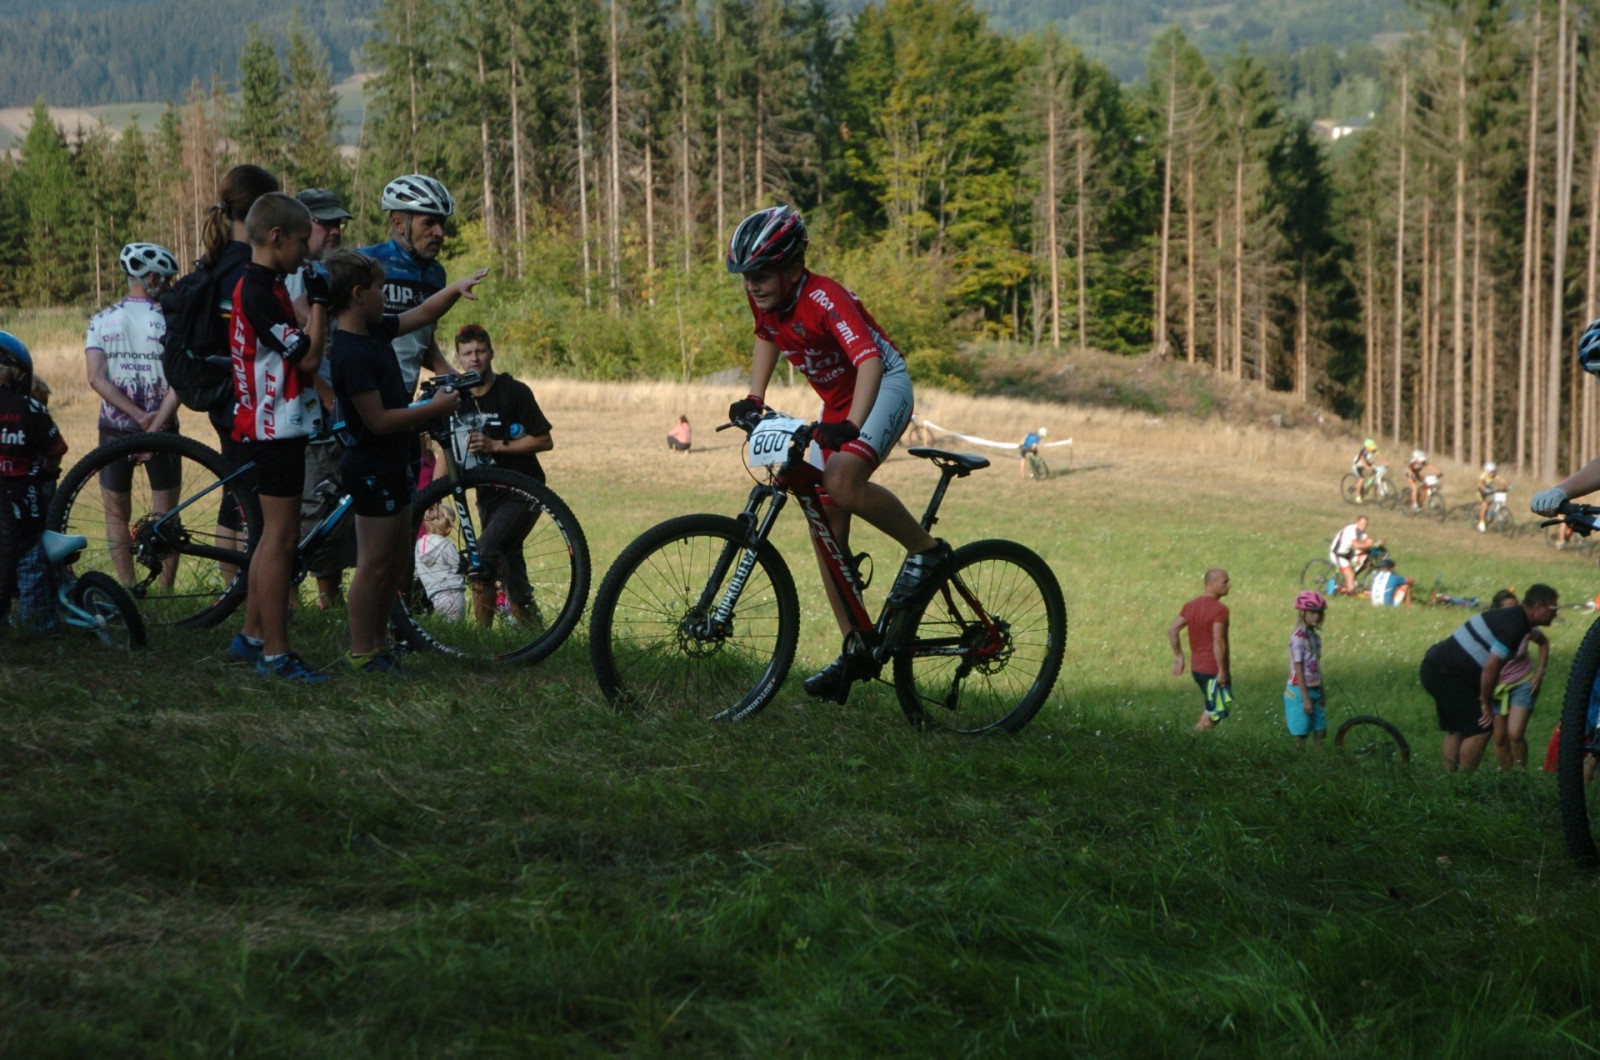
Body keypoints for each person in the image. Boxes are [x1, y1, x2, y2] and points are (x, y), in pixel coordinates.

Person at [723, 204, 942, 704]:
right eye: (746, 276)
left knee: (842, 480)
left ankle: (928, 552)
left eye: (761, 274)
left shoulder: (824, 297)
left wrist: (851, 426)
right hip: (840, 401)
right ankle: (856, 647)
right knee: (823, 522)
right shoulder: (767, 300)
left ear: (792, 266)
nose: (752, 285)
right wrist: (754, 398)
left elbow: (869, 362)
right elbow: (766, 337)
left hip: (881, 385)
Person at [324, 250, 486, 673]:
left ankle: (380, 643)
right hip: (371, 469)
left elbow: (423, 313)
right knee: (373, 565)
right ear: (358, 294)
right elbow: (377, 421)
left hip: (394, 463)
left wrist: (455, 289)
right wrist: (435, 408)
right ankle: (363, 650)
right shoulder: (349, 352)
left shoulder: (375, 331)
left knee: (395, 562)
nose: (386, 298)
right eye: (380, 290)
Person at [222, 193, 329, 682]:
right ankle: (277, 654)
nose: (306, 251)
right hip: (273, 426)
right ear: (276, 237)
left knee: (272, 537)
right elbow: (308, 356)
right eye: (302, 241)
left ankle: (251, 637)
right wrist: (321, 302)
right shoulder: (257, 291)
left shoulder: (268, 284)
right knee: (281, 540)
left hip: (280, 421)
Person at [199, 165, 281, 588]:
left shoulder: (215, 262)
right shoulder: (247, 269)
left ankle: (234, 588)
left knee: (234, 493)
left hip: (220, 390)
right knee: (248, 497)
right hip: (247, 394)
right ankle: (242, 588)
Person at [85, 242, 183, 590]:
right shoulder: (171, 321)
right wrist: (153, 424)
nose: (169, 287)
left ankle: (127, 589)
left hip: (114, 428)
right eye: (167, 280)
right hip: (164, 426)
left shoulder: (100, 320)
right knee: (167, 516)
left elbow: (96, 378)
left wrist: (137, 417)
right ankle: (166, 592)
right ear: (152, 278)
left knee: (115, 516)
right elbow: (180, 382)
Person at [452, 324, 553, 627]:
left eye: (480, 351)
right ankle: (535, 634)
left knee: (482, 557)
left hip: (523, 491)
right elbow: (448, 448)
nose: (474, 358)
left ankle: (480, 637)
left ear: (492, 353)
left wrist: (495, 445)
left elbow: (544, 440)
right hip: (488, 496)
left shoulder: (514, 391)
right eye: (467, 353)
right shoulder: (456, 398)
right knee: (510, 567)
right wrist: (434, 496)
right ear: (458, 358)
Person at [288, 188, 356, 611]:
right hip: (308, 409)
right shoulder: (295, 274)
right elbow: (299, 344)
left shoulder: (315, 269)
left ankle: (326, 600)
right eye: (325, 223)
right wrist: (329, 394)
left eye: (338, 224)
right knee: (315, 500)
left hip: (324, 405)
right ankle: (303, 601)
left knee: (328, 498)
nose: (335, 231)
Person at [1420, 583, 1559, 772]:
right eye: (1553, 608)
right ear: (1539, 607)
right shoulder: (1516, 625)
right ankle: (1463, 783)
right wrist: (1485, 702)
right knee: (1481, 728)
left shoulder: (1514, 618)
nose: (1556, 614)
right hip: (1448, 674)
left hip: (1436, 666)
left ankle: (1448, 779)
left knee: (1457, 728)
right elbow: (1491, 667)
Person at [359, 174, 460, 400]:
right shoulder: (365, 261)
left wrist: (441, 366)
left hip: (402, 395)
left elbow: (420, 335)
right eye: (429, 223)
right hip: (362, 396)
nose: (440, 233)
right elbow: (308, 305)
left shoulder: (436, 274)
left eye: (442, 223)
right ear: (399, 224)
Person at [0, 332, 68, 630]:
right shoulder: (32, 409)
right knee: (30, 565)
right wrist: (47, 476)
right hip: (24, 508)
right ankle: (36, 626)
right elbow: (55, 452)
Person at [1483, 589, 1549, 771]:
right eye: (1508, 609)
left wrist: (1540, 672)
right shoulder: (1488, 629)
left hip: (1522, 682)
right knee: (1500, 737)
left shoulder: (1525, 626)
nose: (1514, 612)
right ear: (1496, 611)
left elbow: (1544, 643)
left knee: (1515, 733)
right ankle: (1507, 775)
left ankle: (1521, 774)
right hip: (1496, 687)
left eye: (1516, 607)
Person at [1168, 568, 1233, 731]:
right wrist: (1222, 670)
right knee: (1219, 709)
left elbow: (1173, 630)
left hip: (1197, 668)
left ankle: (1196, 737)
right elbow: (1218, 640)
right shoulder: (1220, 610)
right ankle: (1194, 738)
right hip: (1213, 669)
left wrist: (1179, 656)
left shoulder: (1190, 606)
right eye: (1225, 582)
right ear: (1211, 583)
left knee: (1212, 706)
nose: (1229, 585)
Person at [1285, 591, 1327, 747]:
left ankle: (1317, 759)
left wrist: (1321, 690)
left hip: (1315, 687)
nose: (1317, 616)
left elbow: (1316, 665)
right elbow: (1298, 668)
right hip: (1299, 690)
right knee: (1301, 732)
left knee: (1321, 729)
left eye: (1319, 613)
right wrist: (1305, 698)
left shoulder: (1315, 638)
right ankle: (1298, 758)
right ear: (1303, 613)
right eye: (1312, 612)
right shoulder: (1298, 638)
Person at [415, 503, 465, 620]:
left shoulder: (418, 545)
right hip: (453, 592)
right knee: (456, 626)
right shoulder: (446, 544)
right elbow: (457, 566)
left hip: (434, 595)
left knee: (447, 625)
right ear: (448, 528)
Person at [1329, 515, 1378, 595]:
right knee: (1350, 574)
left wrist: (1376, 543)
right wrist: (1370, 544)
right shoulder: (1351, 530)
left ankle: (1349, 580)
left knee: (1367, 561)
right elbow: (1356, 545)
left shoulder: (1361, 531)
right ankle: (1350, 592)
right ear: (1357, 523)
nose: (1364, 526)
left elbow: (1369, 541)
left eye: (1366, 524)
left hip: (1347, 553)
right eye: (1362, 524)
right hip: (1337, 554)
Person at [1475, 462, 1509, 533]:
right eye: (1492, 471)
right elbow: (1480, 483)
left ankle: (1493, 515)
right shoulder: (1483, 475)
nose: (1494, 473)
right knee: (1484, 505)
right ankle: (1481, 523)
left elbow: (1502, 480)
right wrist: (1484, 489)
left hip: (1488, 489)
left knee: (1496, 498)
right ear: (1487, 471)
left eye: (1494, 471)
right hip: (1481, 491)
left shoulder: (1494, 475)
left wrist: (1508, 485)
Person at [1351, 438, 1386, 502]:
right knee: (1361, 479)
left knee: (1374, 468)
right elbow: (1362, 460)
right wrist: (1367, 466)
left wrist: (1386, 461)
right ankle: (1357, 495)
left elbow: (1380, 455)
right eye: (1372, 447)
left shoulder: (1373, 451)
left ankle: (1367, 483)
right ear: (1367, 447)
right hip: (1357, 466)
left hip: (1365, 464)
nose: (1373, 448)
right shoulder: (1363, 452)